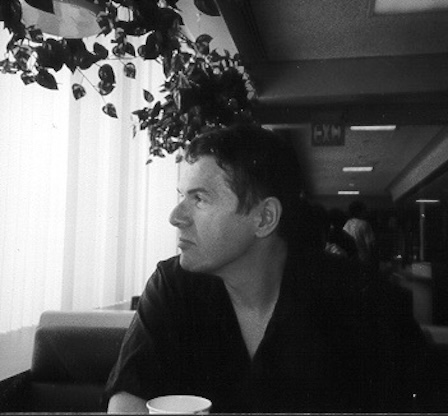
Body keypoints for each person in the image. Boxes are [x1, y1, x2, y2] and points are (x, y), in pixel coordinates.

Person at [105, 124, 430, 413]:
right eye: (181, 196)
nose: (175, 216)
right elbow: (128, 396)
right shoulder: (173, 286)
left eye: (199, 199)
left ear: (264, 218)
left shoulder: (361, 300)